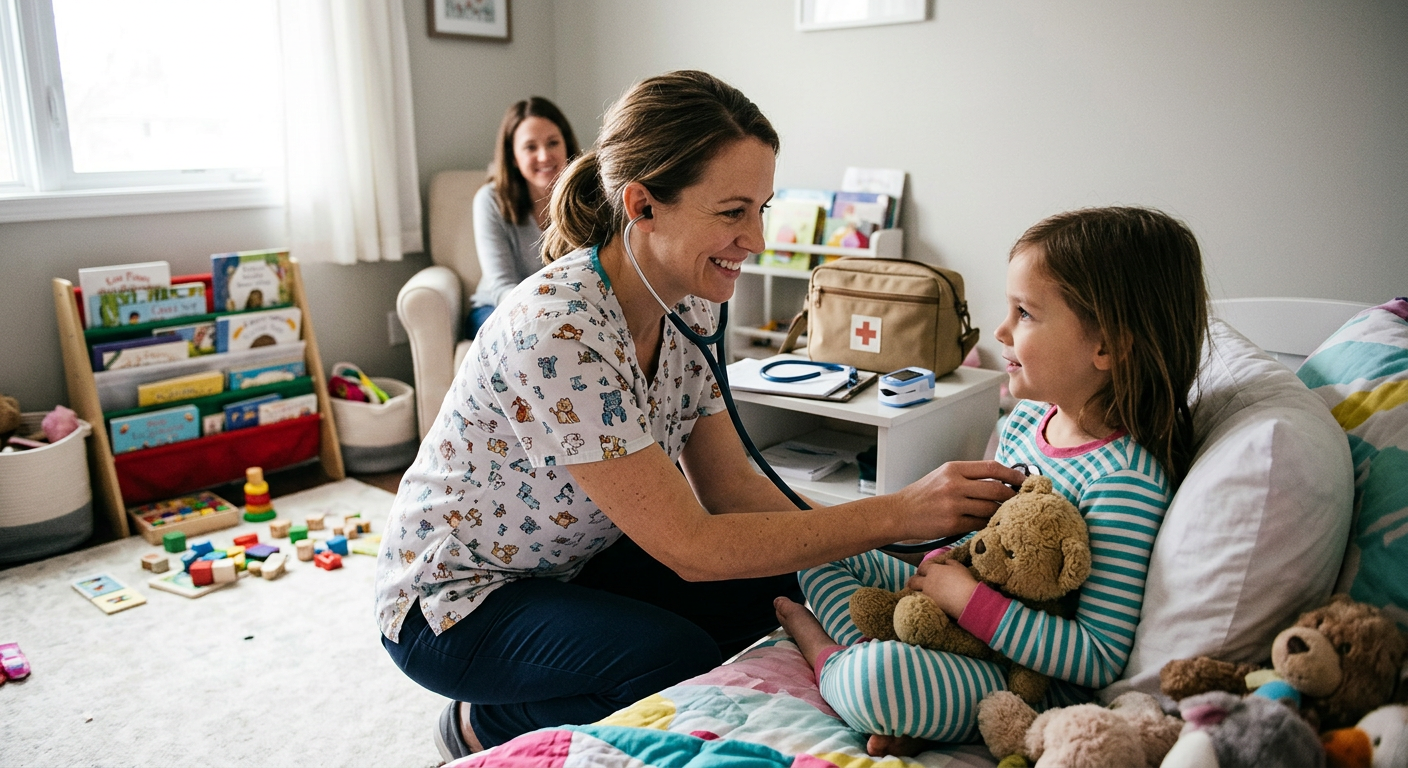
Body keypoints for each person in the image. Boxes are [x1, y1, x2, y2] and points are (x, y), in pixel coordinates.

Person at [374, 69, 1026, 761]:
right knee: (666, 656)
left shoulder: (691, 301)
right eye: (732, 212)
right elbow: (693, 548)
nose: (757, 240)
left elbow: (733, 490)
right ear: (642, 204)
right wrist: (898, 512)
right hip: (454, 603)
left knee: (783, 575)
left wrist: (900, 552)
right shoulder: (557, 330)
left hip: (566, 565)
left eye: (762, 210)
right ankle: (478, 726)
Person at [775, 206, 1209, 756]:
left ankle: (824, 652)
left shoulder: (1124, 480)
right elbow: (978, 545)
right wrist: (938, 568)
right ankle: (900, 689)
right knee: (820, 541)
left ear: (1108, 346)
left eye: (1024, 313)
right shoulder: (1027, 421)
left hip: (1021, 679)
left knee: (879, 676)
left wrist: (965, 599)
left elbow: (1096, 654)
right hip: (953, 624)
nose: (1000, 330)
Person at [464, 96, 580, 338]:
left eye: (553, 143)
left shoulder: (586, 197)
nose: (544, 156)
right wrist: (546, 316)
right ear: (514, 157)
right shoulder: (490, 200)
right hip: (497, 307)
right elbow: (501, 285)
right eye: (530, 147)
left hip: (566, 309)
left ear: (566, 146)